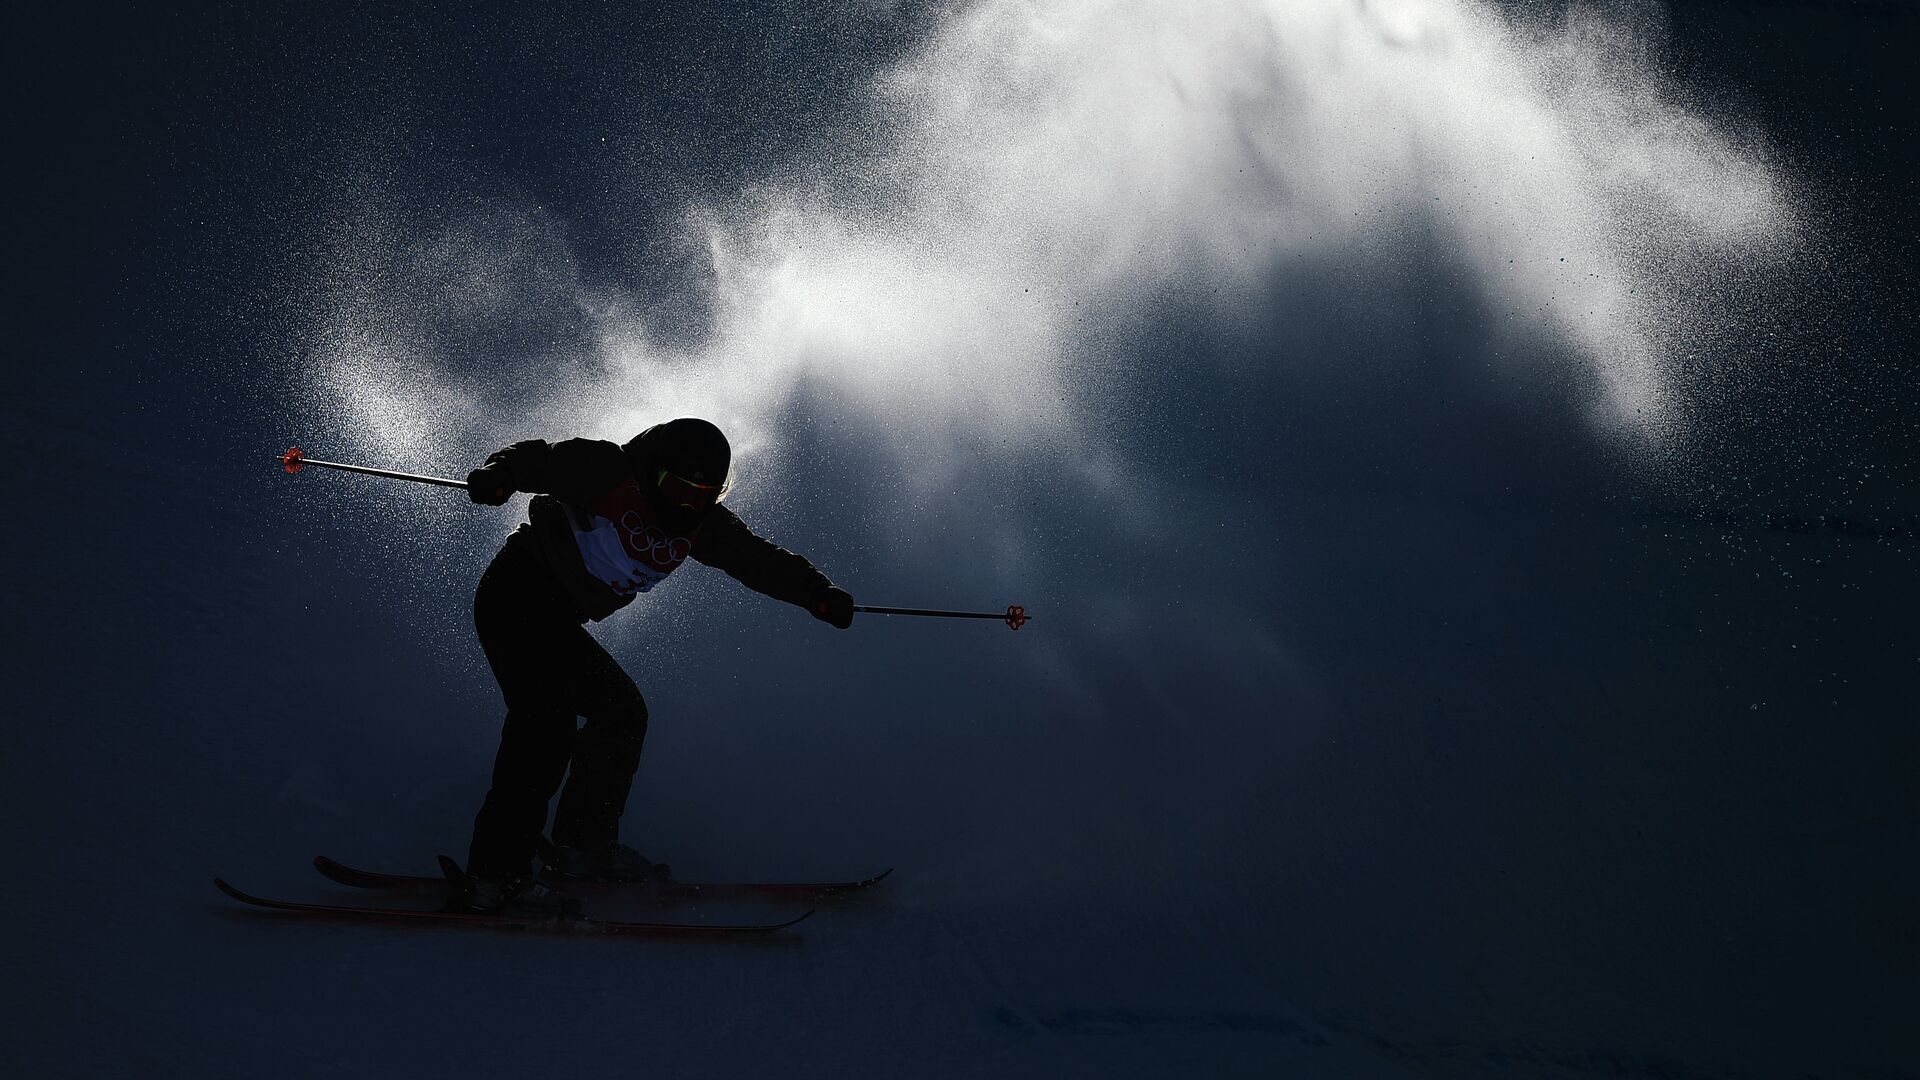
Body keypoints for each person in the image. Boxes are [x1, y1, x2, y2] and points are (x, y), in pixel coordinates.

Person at [455, 417, 853, 913]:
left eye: (702, 493)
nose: (685, 504)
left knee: (621, 712)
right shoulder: (608, 471)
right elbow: (538, 458)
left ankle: (584, 846)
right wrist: (500, 475)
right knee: (546, 722)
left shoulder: (704, 525)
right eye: (675, 488)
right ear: (654, 471)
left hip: (556, 621)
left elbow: (759, 561)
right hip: (516, 595)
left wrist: (818, 594)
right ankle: (495, 874)